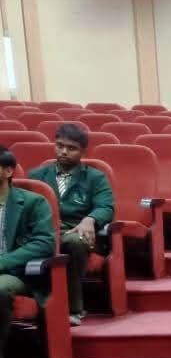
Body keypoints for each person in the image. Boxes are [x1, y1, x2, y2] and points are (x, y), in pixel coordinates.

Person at [29, 124, 114, 326]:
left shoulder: (95, 178)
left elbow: (106, 207)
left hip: (76, 230)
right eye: (60, 146)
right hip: (45, 231)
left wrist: (90, 219)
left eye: (71, 148)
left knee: (74, 242)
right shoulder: (37, 176)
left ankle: (73, 309)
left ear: (83, 152)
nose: (64, 152)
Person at [0, 146, 56, 358]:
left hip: (18, 273)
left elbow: (44, 243)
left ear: (7, 171)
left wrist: (2, 263)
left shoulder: (33, 202)